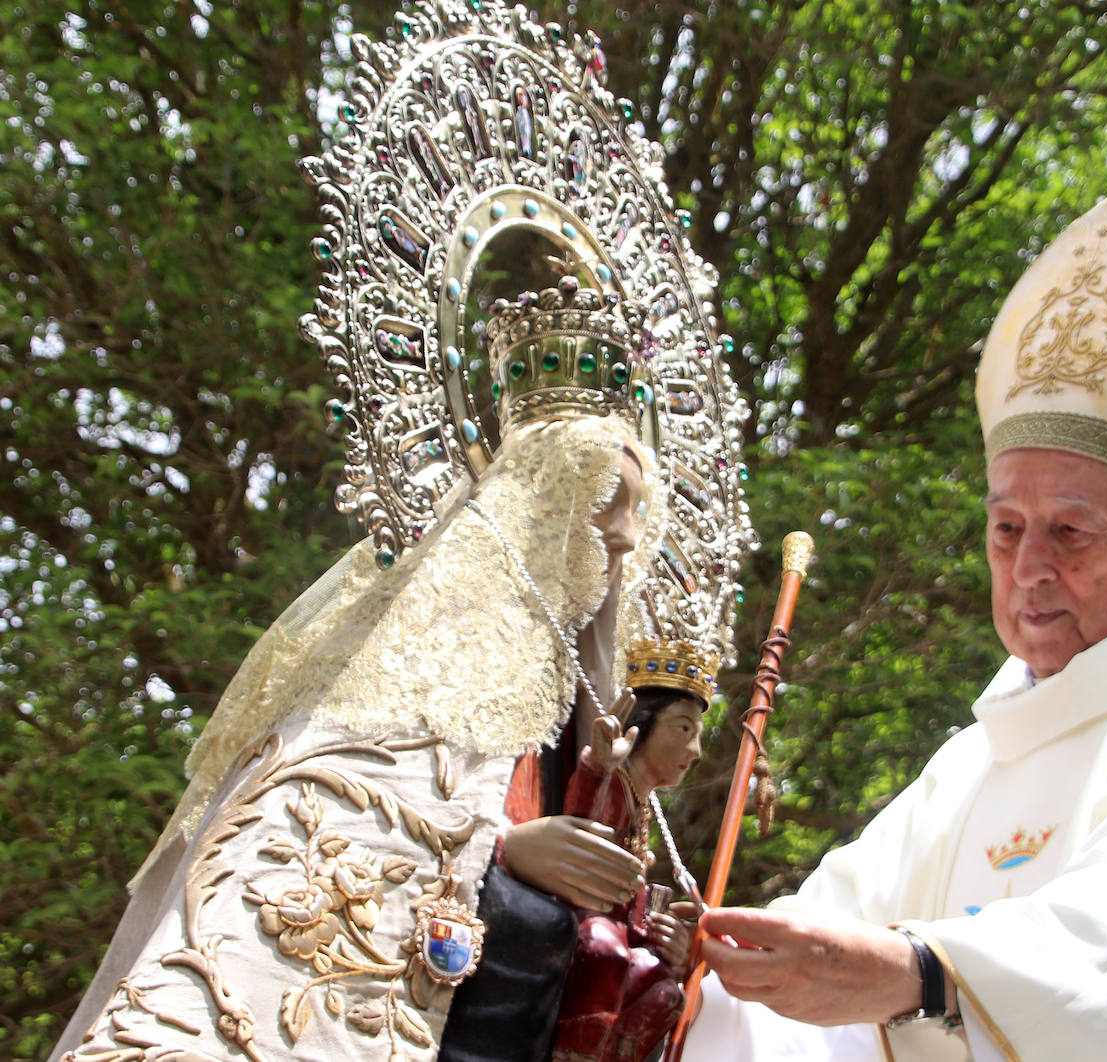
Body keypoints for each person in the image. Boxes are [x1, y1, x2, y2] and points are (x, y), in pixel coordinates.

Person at [682, 191, 1107, 1062]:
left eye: (1071, 531)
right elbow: (798, 989)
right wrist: (675, 980)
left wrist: (923, 973)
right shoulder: (971, 768)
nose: (1030, 568)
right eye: (1007, 528)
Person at [51, 284, 666, 1062]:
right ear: (539, 507)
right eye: (604, 504)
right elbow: (329, 838)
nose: (621, 536)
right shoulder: (399, 667)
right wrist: (502, 851)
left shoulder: (582, 724)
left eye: (634, 513)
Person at [551, 639, 715, 1062]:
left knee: (664, 987)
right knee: (604, 947)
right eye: (684, 729)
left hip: (616, 931)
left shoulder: (642, 807)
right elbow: (581, 822)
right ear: (643, 723)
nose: (695, 752)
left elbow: (631, 906)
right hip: (582, 920)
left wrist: (672, 943)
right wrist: (596, 767)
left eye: (697, 735)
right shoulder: (616, 783)